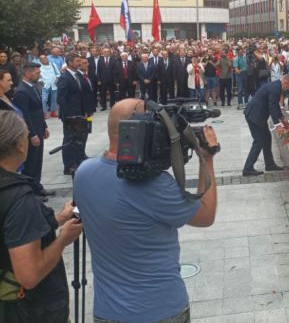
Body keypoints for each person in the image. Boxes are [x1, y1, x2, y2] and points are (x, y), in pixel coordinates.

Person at [73, 99, 218, 323]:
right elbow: (206, 216)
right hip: (159, 310)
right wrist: (206, 159)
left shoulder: (83, 172)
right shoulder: (155, 185)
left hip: (107, 311)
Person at [0, 110, 83, 323]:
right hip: (25, 310)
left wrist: (57, 220)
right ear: (19, 145)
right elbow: (30, 275)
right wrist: (63, 238)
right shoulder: (19, 199)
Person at [242, 75, 289, 176]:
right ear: (286, 83)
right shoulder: (276, 88)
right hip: (255, 116)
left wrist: (282, 119)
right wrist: (278, 125)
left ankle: (269, 164)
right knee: (259, 141)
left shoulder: (276, 86)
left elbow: (275, 105)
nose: (288, 90)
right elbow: (272, 107)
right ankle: (247, 169)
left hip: (257, 115)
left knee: (267, 138)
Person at [12, 63, 50, 184]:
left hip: (39, 128)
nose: (39, 75)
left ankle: (37, 187)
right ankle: (31, 190)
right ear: (28, 73)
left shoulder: (32, 87)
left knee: (38, 161)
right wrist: (32, 134)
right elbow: (25, 116)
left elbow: (38, 110)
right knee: (31, 163)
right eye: (37, 73)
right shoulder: (21, 91)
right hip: (31, 132)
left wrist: (44, 126)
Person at [57, 53, 92, 176]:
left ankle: (78, 159)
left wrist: (85, 110)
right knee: (69, 140)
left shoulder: (78, 75)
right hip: (70, 116)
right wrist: (68, 116)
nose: (79, 62)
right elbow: (61, 99)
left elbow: (81, 95)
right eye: (77, 61)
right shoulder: (64, 77)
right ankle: (69, 165)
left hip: (80, 114)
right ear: (70, 62)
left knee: (79, 138)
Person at [38, 53, 60, 118]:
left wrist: (57, 78)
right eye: (41, 59)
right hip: (45, 86)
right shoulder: (39, 67)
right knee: (44, 100)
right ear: (40, 60)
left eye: (44, 58)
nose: (43, 59)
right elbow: (38, 76)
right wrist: (42, 83)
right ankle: (44, 113)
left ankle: (53, 112)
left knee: (54, 99)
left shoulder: (53, 65)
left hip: (54, 85)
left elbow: (58, 73)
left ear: (47, 58)